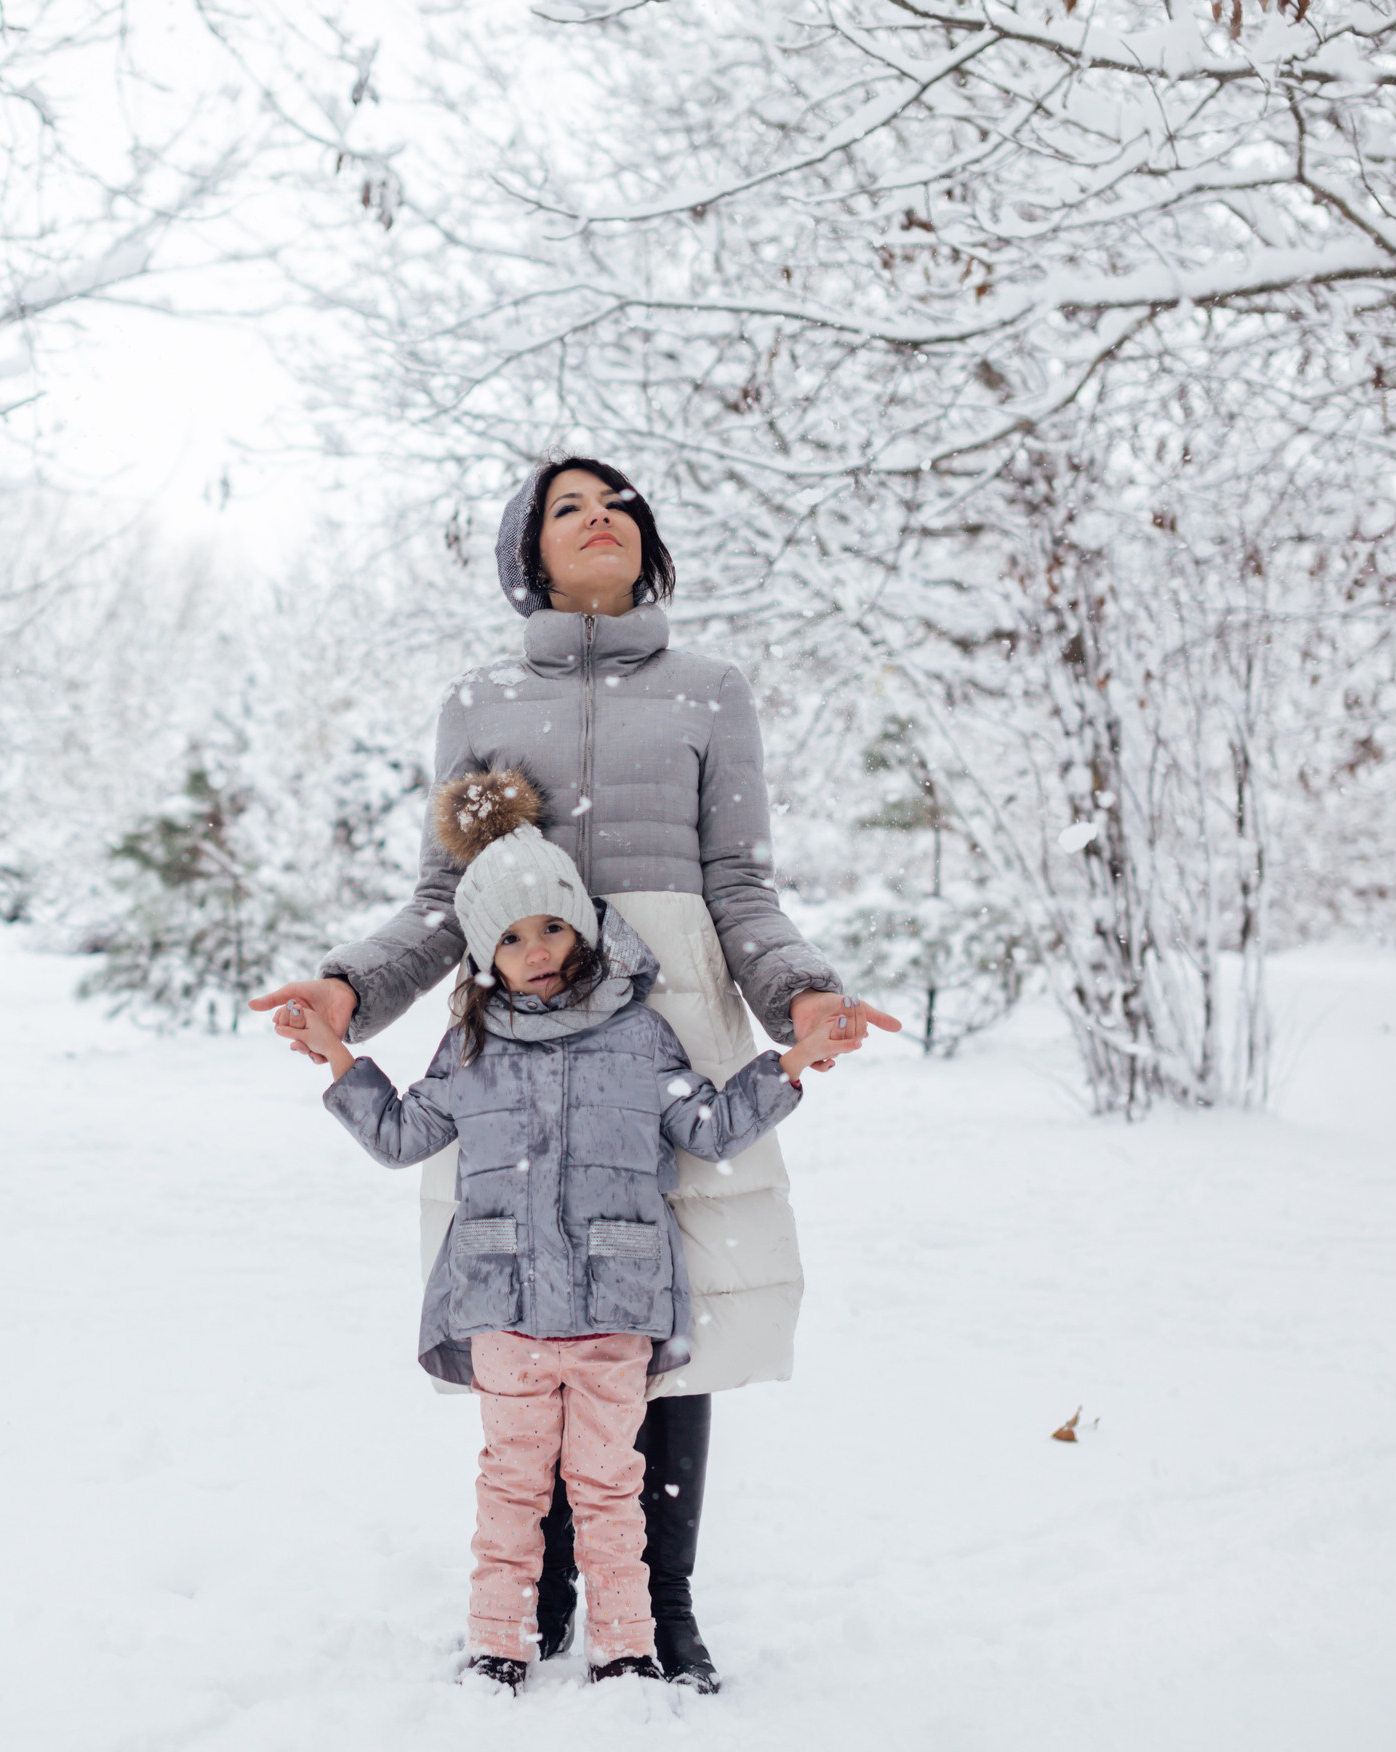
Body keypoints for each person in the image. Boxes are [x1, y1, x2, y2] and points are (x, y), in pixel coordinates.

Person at [253, 456, 903, 1690]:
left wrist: (801, 992)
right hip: (515, 1025)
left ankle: (661, 1601)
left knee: (673, 1315)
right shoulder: (481, 699)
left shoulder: (712, 693)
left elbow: (741, 890)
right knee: (532, 1293)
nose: (599, 515)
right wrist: (348, 986)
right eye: (567, 506)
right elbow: (445, 902)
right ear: (529, 551)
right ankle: (542, 1590)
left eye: (617, 503)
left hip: (674, 1027)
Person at [286, 769, 865, 1692]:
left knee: (609, 1489)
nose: (537, 949)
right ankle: (500, 1642)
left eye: (552, 924)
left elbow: (708, 1128)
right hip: (503, 1308)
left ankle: (627, 1646)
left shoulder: (638, 1039)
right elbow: (401, 1136)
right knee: (511, 1489)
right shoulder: (470, 1051)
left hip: (613, 1309)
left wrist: (788, 1064)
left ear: (584, 925)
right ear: (484, 956)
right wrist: (340, 1063)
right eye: (511, 938)